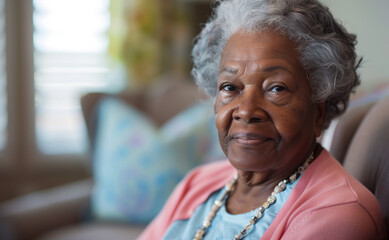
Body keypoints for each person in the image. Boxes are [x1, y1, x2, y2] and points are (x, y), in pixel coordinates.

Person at [138, 0, 384, 239]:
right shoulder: (197, 185)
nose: (246, 110)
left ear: (318, 111)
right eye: (230, 87)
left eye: (276, 88)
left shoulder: (338, 216)